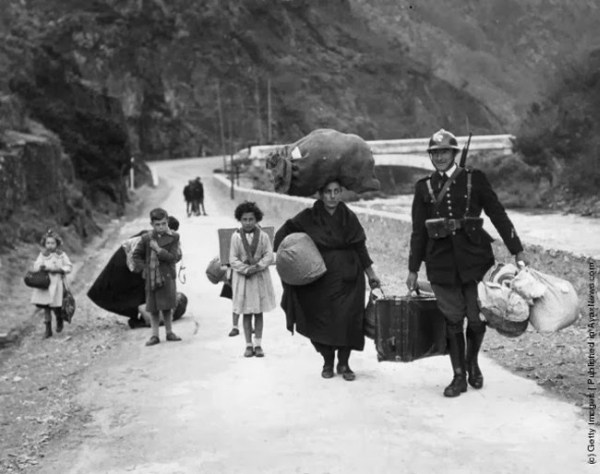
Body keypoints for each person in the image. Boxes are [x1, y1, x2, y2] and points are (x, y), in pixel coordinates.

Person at [406, 128, 528, 397]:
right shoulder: (423, 187)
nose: (439, 157)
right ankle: (458, 375)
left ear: (454, 153)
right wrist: (413, 269)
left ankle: (472, 362)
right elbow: (418, 231)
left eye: (444, 152)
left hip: (476, 260)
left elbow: (498, 214)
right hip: (440, 263)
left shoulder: (475, 179)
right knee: (452, 320)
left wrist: (516, 250)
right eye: (434, 153)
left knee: (476, 319)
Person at [274, 180, 381, 381]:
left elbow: (360, 247)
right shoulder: (309, 217)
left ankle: (344, 363)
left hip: (350, 276)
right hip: (320, 278)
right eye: (328, 192)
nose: (332, 196)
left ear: (341, 193)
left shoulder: (348, 217)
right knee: (321, 320)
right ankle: (327, 361)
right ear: (320, 194)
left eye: (336, 192)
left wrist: (371, 274)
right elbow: (283, 234)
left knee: (348, 320)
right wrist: (290, 257)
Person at [229, 201, 276, 357]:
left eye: (251, 219)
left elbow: (269, 255)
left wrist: (259, 266)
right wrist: (246, 268)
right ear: (239, 220)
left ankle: (258, 344)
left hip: (259, 278)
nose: (248, 222)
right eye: (245, 219)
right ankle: (248, 344)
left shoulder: (263, 236)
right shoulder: (235, 237)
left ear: (257, 220)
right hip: (244, 279)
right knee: (246, 313)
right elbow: (233, 259)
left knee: (258, 312)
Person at [133, 208, 182, 346]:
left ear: (167, 222)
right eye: (157, 224)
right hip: (152, 277)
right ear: (152, 224)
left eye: (163, 223)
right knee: (153, 308)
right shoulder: (146, 238)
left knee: (168, 306)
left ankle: (169, 332)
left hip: (167, 276)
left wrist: (158, 250)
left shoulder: (174, 237)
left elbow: (173, 257)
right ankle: (154, 335)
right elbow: (136, 255)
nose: (161, 227)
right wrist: (145, 269)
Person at [30, 229, 73, 339]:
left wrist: (60, 269)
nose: (50, 245)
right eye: (48, 243)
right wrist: (41, 267)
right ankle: (48, 330)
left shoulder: (61, 255)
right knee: (46, 307)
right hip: (45, 284)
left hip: (57, 284)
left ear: (57, 244)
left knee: (57, 306)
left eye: (52, 243)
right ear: (44, 243)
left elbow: (69, 266)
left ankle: (59, 319)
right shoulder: (43, 255)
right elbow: (36, 265)